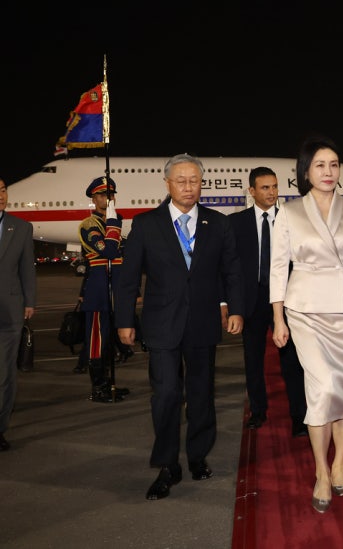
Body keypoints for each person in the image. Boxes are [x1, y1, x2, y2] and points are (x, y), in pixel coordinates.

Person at [115, 153, 244, 500]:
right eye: (181, 181)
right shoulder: (146, 224)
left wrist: (236, 309)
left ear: (201, 184)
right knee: (167, 395)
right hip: (161, 325)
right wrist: (125, 320)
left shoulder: (218, 224)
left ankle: (198, 455)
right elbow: (127, 279)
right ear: (168, 184)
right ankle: (167, 465)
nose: (188, 187)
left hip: (202, 323)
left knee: (201, 395)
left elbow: (231, 271)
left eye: (194, 181)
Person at [270, 136, 343, 514]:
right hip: (304, 311)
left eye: (334, 164)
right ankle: (320, 470)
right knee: (321, 388)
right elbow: (278, 266)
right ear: (305, 171)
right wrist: (278, 317)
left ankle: (340, 462)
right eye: (320, 165)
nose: (328, 172)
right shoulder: (290, 212)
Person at [227, 167, 307, 436]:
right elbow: (231, 268)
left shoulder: (291, 219)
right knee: (254, 360)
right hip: (252, 301)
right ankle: (258, 411)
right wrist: (230, 305)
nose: (271, 192)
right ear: (252, 191)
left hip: (286, 300)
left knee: (292, 360)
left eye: (274, 187)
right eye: (265, 188)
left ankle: (299, 414)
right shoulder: (237, 224)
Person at [78, 176, 129, 403]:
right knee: (97, 342)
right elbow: (108, 251)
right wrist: (114, 224)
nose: (107, 198)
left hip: (115, 290)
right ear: (93, 198)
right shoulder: (89, 226)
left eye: (110, 194)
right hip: (99, 292)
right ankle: (98, 387)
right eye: (101, 195)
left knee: (109, 341)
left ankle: (109, 382)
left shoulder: (112, 222)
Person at [0, 177, 36, 451]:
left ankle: (0, 427)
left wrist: (29, 301)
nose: (1, 195)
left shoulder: (22, 228)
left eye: (3, 190)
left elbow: (27, 269)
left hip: (9, 311)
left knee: (4, 372)